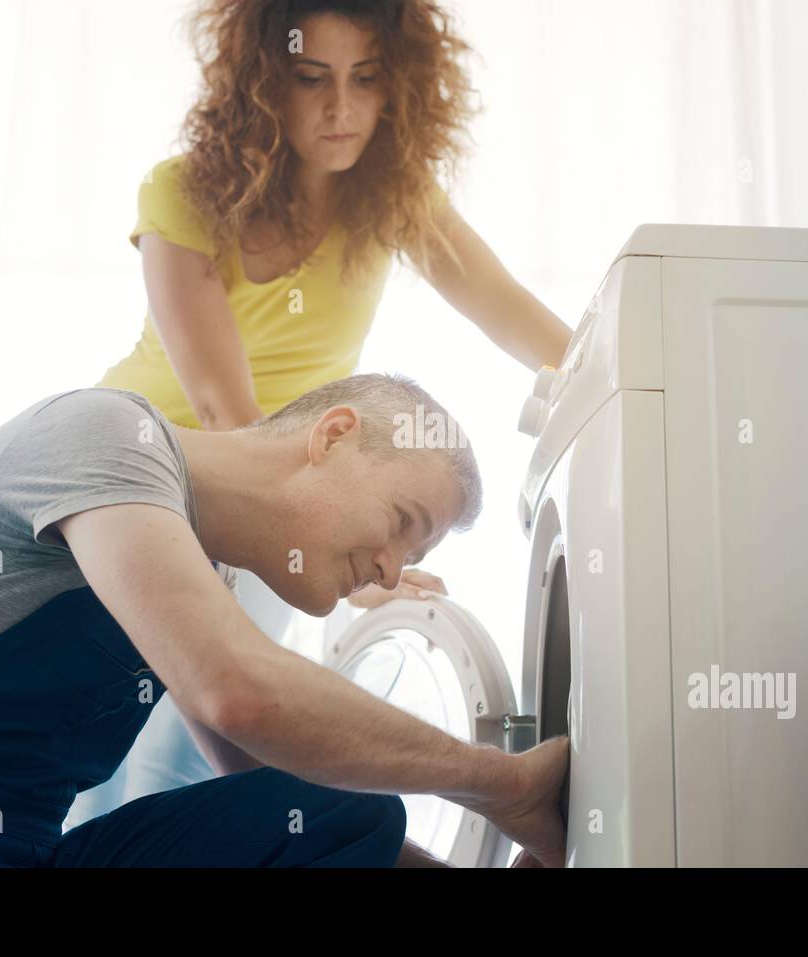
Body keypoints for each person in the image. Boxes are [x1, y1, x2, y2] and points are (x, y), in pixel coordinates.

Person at [73, 0, 572, 824]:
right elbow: (222, 407)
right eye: (313, 78)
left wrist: (615, 374)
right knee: (118, 744)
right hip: (148, 476)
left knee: (197, 764)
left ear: (397, 88)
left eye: (366, 78)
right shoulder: (180, 196)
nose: (342, 109)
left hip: (289, 495)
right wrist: (341, 552)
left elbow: (505, 308)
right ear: (267, 83)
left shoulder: (394, 200)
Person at [0, 376, 569, 867]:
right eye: (402, 520)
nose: (393, 572)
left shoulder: (203, 568)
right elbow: (237, 692)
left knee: (330, 818)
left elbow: (278, 792)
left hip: (9, 853)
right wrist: (501, 784)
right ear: (333, 435)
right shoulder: (105, 436)